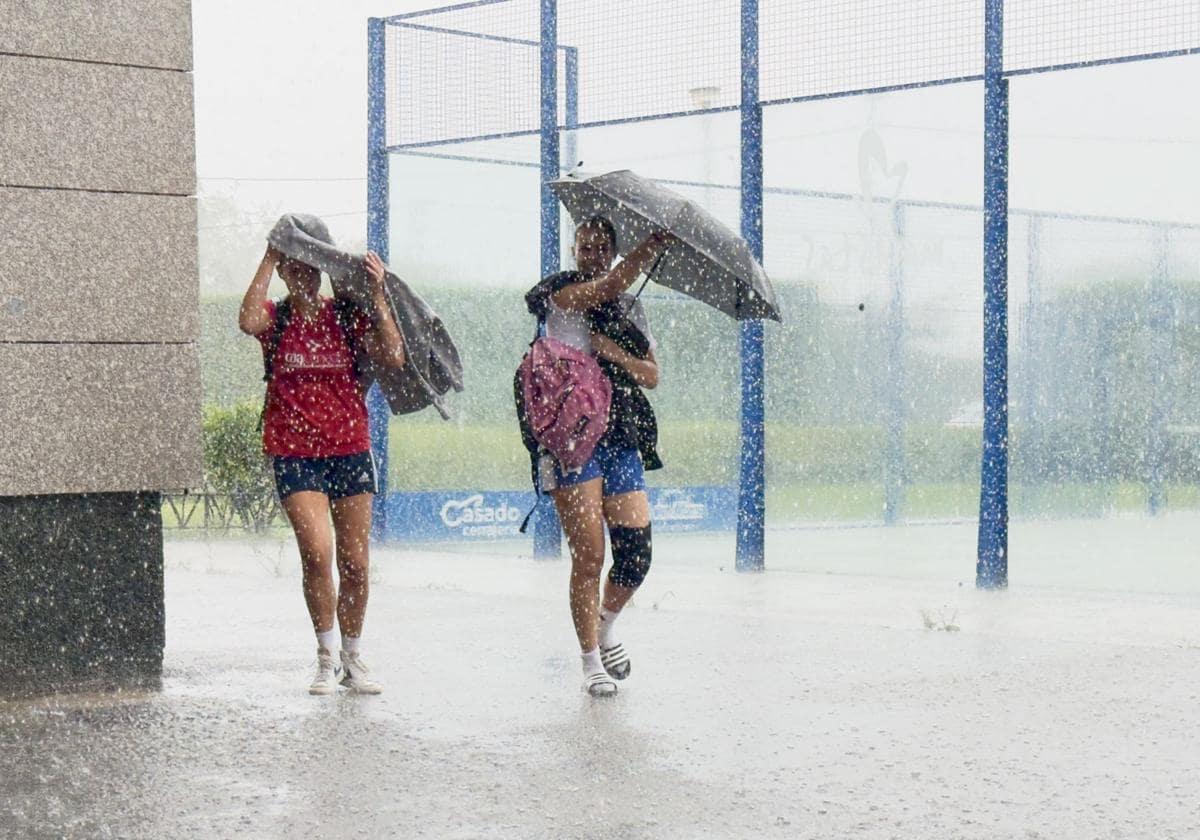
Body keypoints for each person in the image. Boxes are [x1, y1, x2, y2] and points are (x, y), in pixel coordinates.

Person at [238, 233, 406, 695]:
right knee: (317, 553)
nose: (302, 273)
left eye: (310, 265)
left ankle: (353, 657)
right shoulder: (279, 317)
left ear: (323, 270)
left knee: (355, 562)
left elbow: (393, 354)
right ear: (286, 273)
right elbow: (247, 319)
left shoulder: (345, 317)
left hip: (349, 447)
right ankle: (325, 656)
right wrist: (271, 253)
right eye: (293, 267)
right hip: (295, 453)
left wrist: (376, 293)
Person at [523, 217, 675, 697]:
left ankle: (606, 626)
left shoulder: (630, 305)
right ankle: (591, 660)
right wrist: (648, 248)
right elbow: (608, 283)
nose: (591, 253)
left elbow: (652, 375)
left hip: (621, 435)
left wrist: (616, 354)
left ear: (610, 249)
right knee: (590, 555)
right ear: (574, 249)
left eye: (600, 246)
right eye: (584, 245)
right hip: (573, 439)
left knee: (635, 554)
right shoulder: (562, 294)